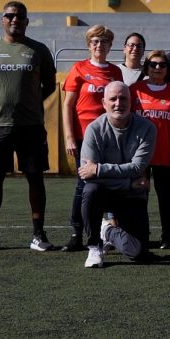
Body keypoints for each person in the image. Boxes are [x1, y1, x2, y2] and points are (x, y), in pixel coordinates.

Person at [0, 1, 57, 253]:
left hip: (30, 125)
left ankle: (38, 235)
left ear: (27, 21)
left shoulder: (38, 50)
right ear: (2, 20)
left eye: (19, 16)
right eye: (10, 16)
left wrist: (30, 102)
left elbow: (49, 85)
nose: (14, 20)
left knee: (35, 178)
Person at [77, 81, 157, 268]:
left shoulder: (147, 129)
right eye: (113, 99)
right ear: (104, 103)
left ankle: (108, 231)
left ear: (132, 102)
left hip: (131, 197)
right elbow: (87, 174)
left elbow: (137, 168)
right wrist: (128, 183)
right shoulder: (94, 129)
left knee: (137, 252)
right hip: (112, 191)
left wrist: (99, 169)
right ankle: (94, 246)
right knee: (90, 190)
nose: (118, 103)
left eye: (123, 98)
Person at [60, 25, 124, 252]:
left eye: (104, 42)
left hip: (110, 137)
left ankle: (110, 231)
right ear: (89, 45)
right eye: (95, 41)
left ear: (110, 45)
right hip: (84, 137)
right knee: (84, 185)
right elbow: (68, 105)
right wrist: (69, 137)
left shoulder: (116, 72)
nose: (99, 45)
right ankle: (78, 231)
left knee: (111, 183)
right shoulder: (78, 69)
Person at [131, 50, 170, 249]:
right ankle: (139, 234)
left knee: (168, 197)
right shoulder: (134, 90)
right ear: (146, 67)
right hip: (139, 155)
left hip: (166, 151)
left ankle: (169, 235)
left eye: (162, 65)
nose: (158, 68)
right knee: (138, 195)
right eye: (153, 64)